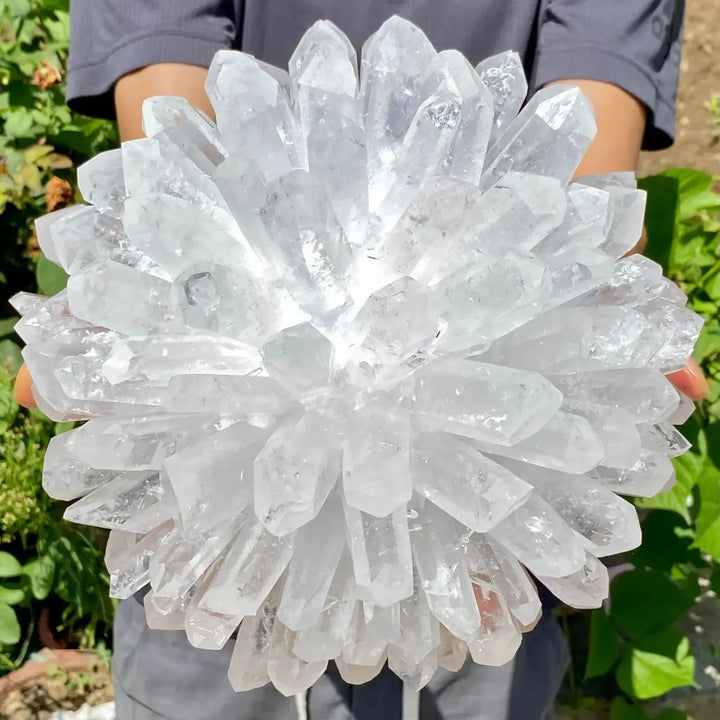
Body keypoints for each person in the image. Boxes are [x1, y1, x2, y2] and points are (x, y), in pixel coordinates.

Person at [13, 1, 709, 719]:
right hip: (224, 571)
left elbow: (580, 154)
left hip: (468, 575)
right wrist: (133, 334)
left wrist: (607, 320)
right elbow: (168, 160)